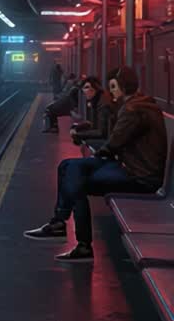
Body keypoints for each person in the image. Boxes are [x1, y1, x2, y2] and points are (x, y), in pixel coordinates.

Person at [25, 66, 168, 262]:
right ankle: (59, 223)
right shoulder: (138, 104)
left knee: (77, 181)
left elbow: (114, 142)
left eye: (114, 87)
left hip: (139, 177)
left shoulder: (134, 109)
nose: (112, 92)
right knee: (66, 166)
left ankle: (82, 244)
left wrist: (96, 157)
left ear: (124, 86)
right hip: (130, 167)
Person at [69, 74, 114, 151]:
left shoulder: (103, 104)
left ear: (95, 88)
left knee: (86, 143)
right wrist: (77, 128)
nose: (85, 91)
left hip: (109, 140)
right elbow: (92, 123)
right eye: (84, 88)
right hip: (106, 136)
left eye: (87, 87)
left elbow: (101, 132)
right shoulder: (95, 100)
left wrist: (79, 135)